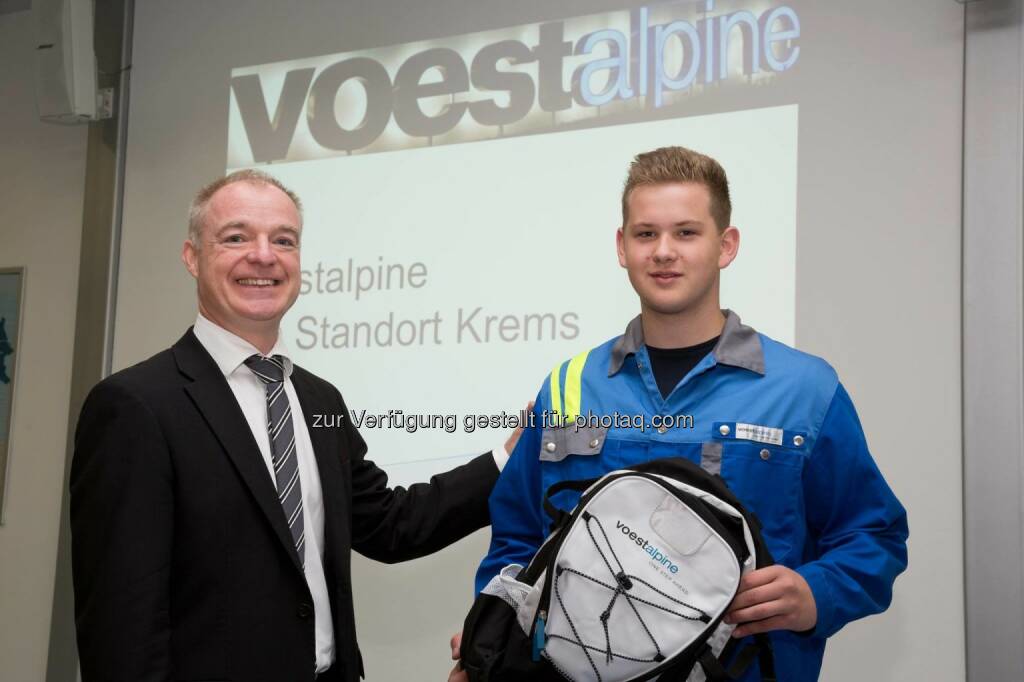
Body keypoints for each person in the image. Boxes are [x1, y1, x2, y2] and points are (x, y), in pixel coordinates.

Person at [450, 147, 908, 681]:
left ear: (726, 245)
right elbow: (516, 540)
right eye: (646, 234)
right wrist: (487, 639)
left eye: (686, 233)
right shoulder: (570, 386)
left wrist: (816, 593)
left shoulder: (804, 390)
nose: (664, 251)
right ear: (622, 248)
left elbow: (873, 534)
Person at [70, 169, 516, 682]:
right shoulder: (134, 406)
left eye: (283, 240)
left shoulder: (318, 398)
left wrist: (509, 458)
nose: (263, 255)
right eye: (236, 237)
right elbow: (120, 627)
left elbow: (391, 526)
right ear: (192, 257)